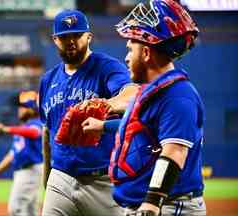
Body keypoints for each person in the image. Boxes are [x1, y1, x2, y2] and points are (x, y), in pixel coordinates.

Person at [82, 0, 206, 215]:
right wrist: (102, 126)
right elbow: (140, 128)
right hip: (150, 206)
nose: (126, 57)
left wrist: (151, 202)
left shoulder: (178, 96)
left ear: (147, 53)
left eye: (130, 49)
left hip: (167, 207)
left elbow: (174, 152)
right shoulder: (152, 91)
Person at [39, 9, 138, 216]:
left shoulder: (106, 67)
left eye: (77, 35)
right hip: (60, 178)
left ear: (89, 37)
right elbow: (47, 132)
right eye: (65, 37)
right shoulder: (48, 80)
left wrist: (106, 105)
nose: (71, 41)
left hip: (102, 181)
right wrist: (47, 181)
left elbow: (132, 94)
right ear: (55, 40)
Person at [0, 91, 43, 216]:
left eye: (22, 107)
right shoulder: (22, 129)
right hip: (25, 172)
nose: (19, 110)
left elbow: (34, 133)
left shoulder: (37, 123)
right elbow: (12, 155)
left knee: (16, 209)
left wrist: (4, 129)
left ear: (32, 110)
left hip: (31, 170)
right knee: (29, 210)